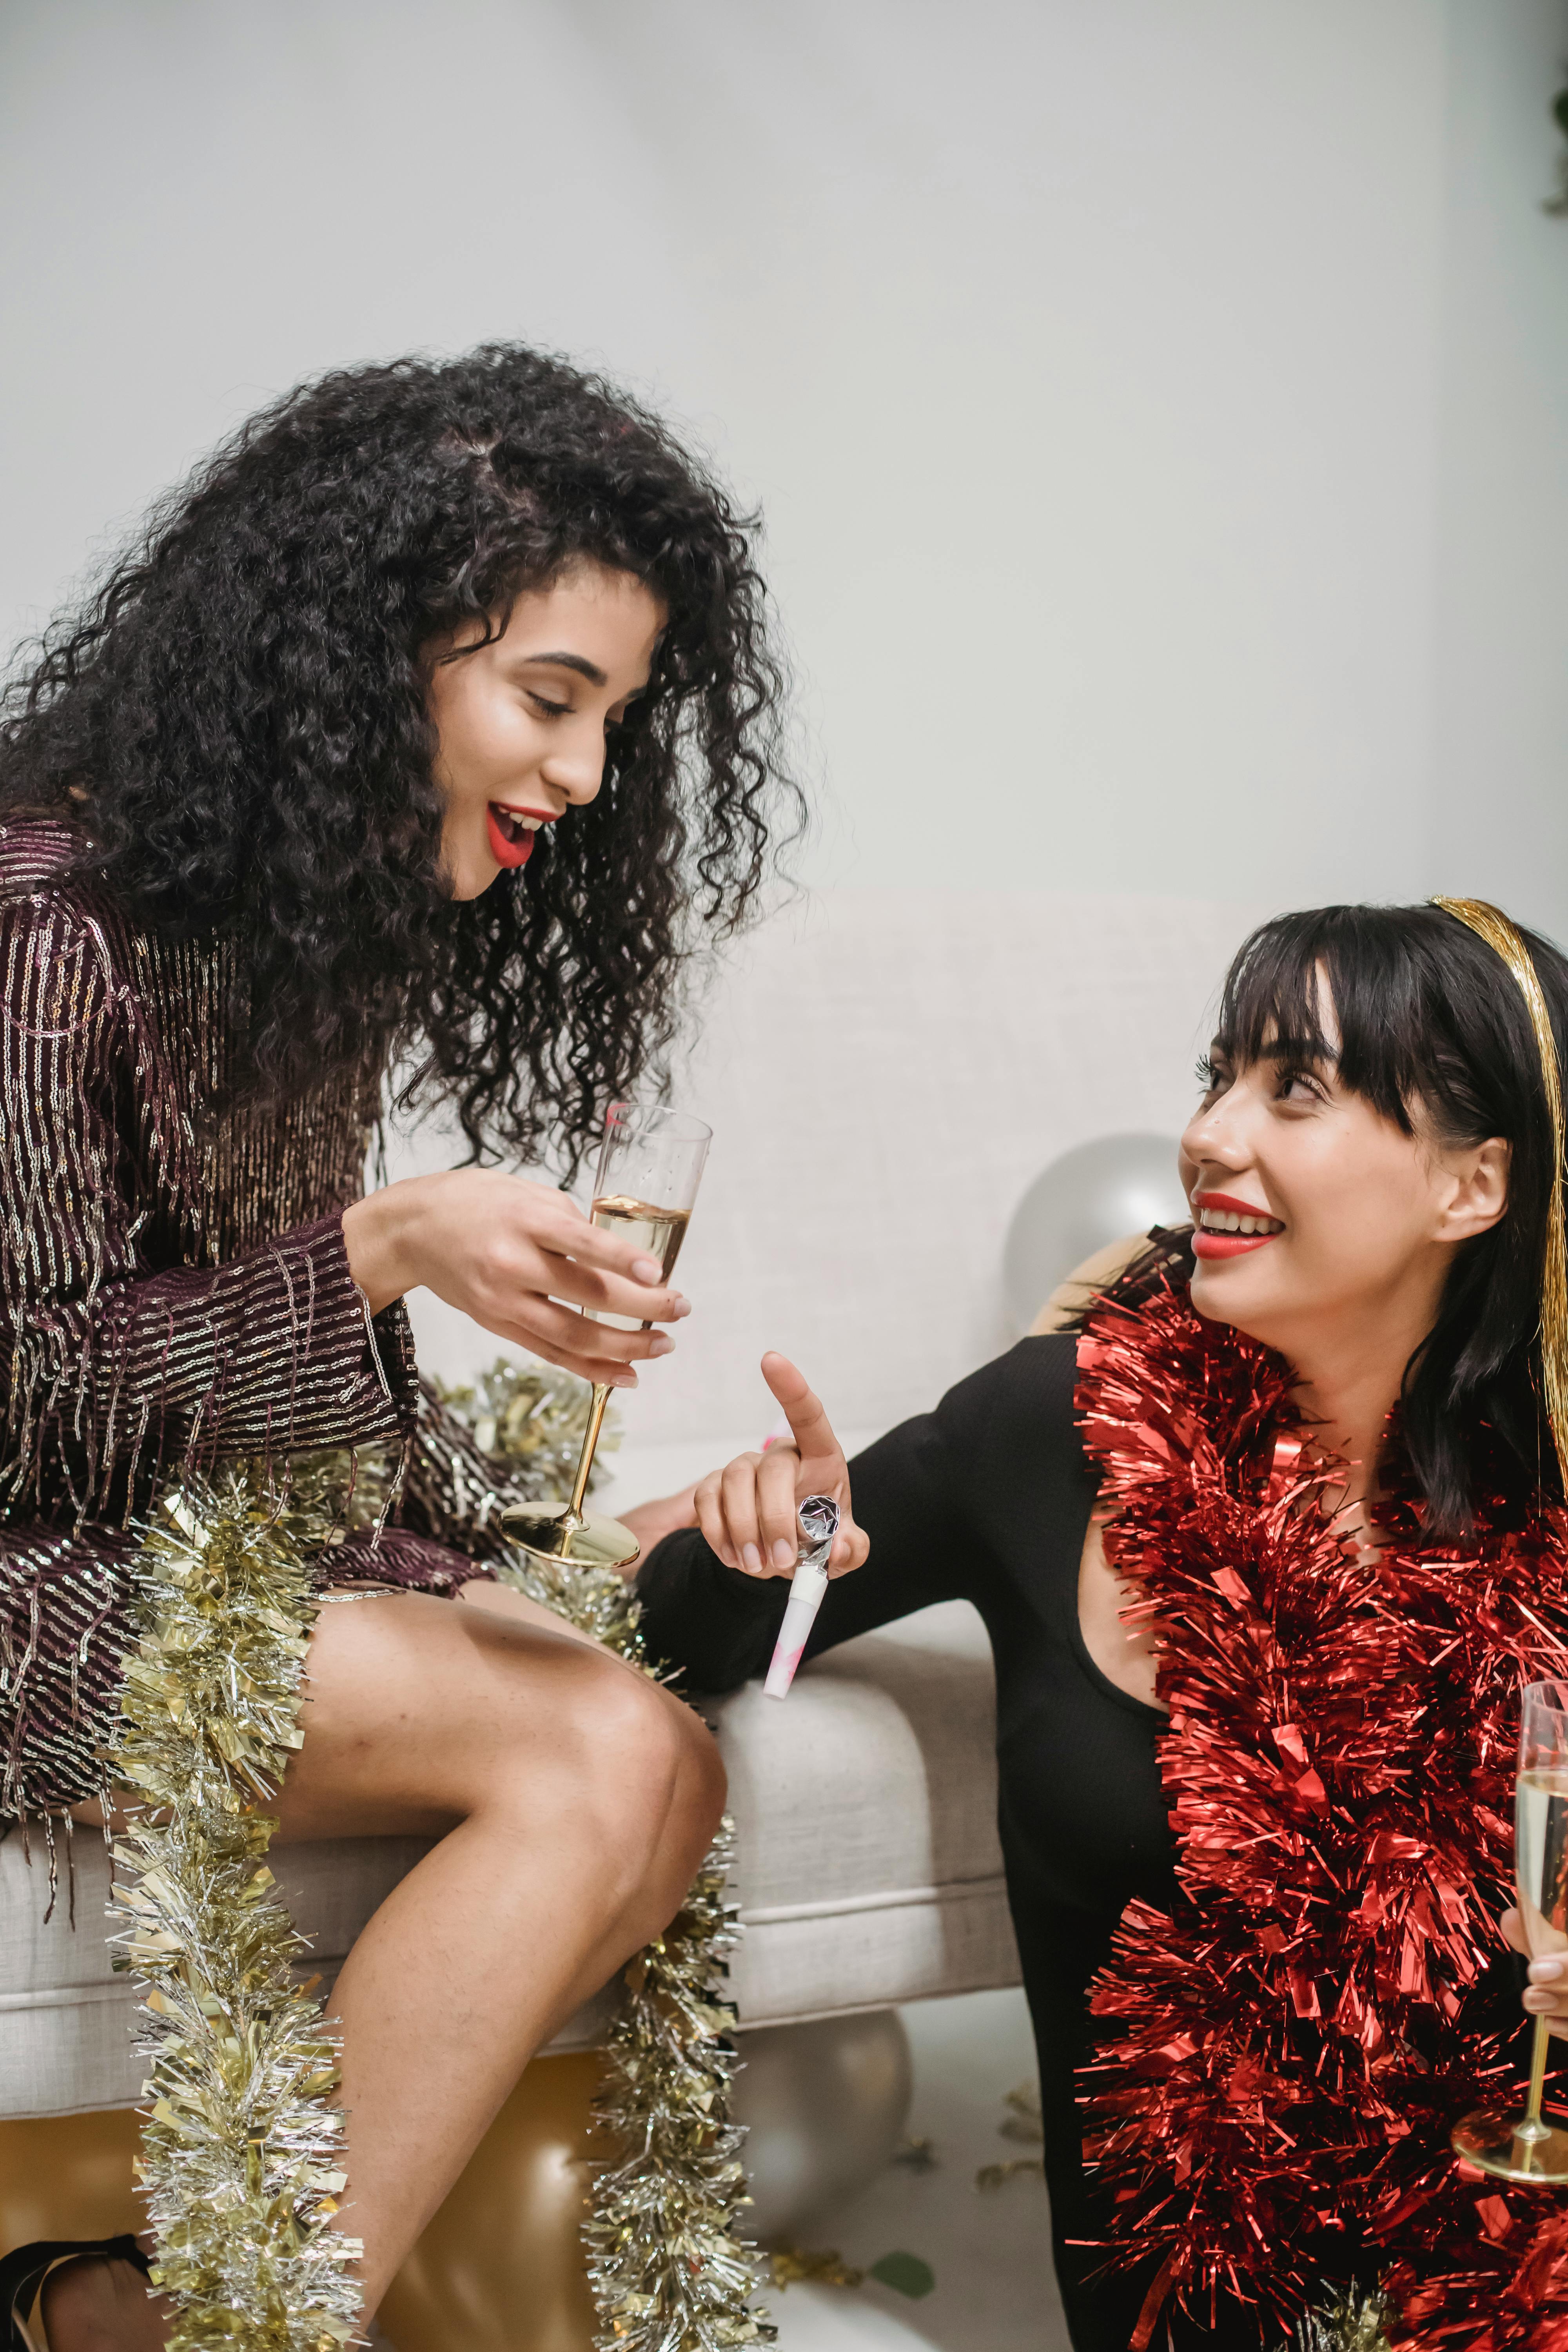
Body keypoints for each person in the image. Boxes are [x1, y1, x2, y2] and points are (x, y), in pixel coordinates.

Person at [0, 344, 801, 2350]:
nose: (586, 779)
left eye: (616, 720)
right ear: (363, 662)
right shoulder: (45, 922)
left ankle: (137, 2327)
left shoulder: (298, 932)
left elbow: (273, 1404)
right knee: (598, 1743)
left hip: (170, 1567)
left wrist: (560, 1534)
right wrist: (372, 1245)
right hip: (23, 1579)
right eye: (550, 700)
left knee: (657, 1768)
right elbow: (28, 1402)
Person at [630, 900, 1568, 2350]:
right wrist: (777, 1531)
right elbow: (687, 1621)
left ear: (1473, 1186)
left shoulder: (1550, 1518)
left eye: (1295, 1089)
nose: (1210, 1132)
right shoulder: (1061, 1426)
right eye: (1221, 1073)